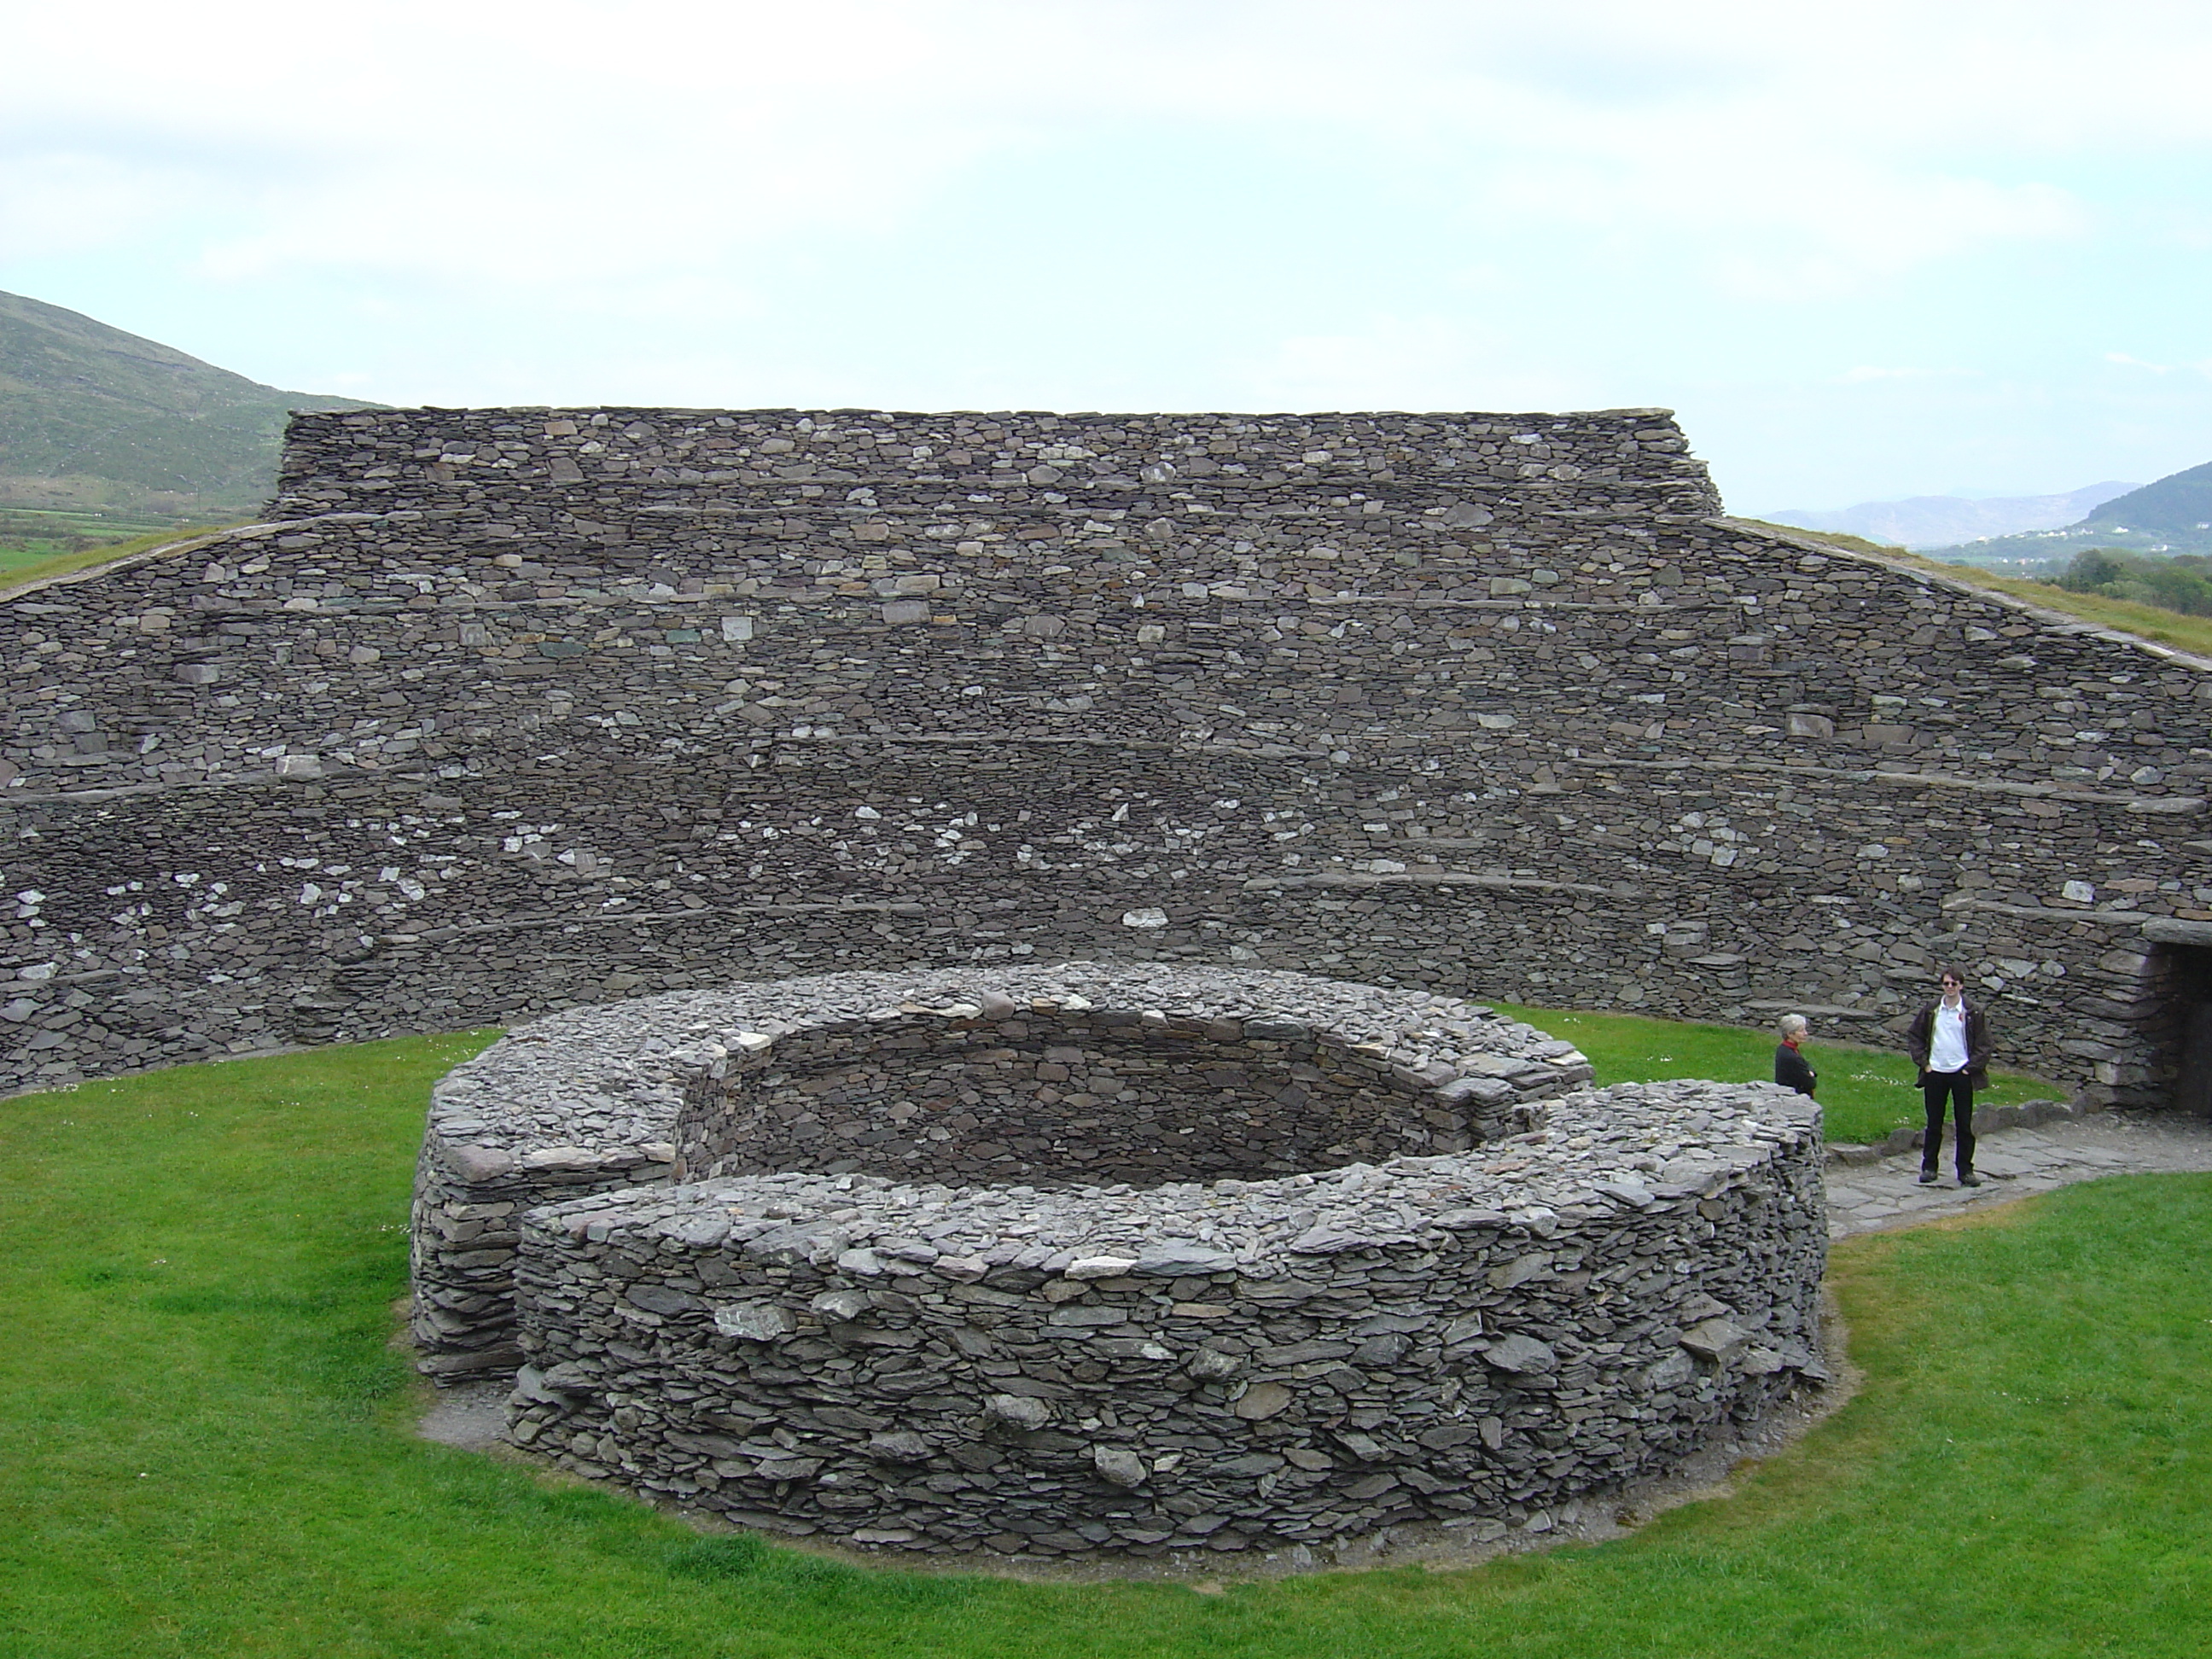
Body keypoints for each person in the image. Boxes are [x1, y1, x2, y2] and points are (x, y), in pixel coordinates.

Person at [1906, 969, 1989, 1187]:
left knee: (1964, 1124)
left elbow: (1984, 1044)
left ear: (1961, 985)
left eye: (1954, 984)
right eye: (1946, 984)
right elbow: (1915, 1036)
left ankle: (1965, 1170)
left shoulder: (1973, 1012)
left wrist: (1970, 1068)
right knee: (1934, 1123)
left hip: (1961, 1073)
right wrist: (1925, 1063)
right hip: (1936, 1072)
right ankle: (1929, 1167)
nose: (1950, 988)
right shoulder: (1932, 1009)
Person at [1773, 1014, 1817, 1097]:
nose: (1806, 1033)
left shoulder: (1785, 1049)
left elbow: (1807, 1065)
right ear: (1790, 1034)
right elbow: (1810, 1083)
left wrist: (1810, 1072)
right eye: (1801, 1031)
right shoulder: (1790, 1056)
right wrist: (1810, 1074)